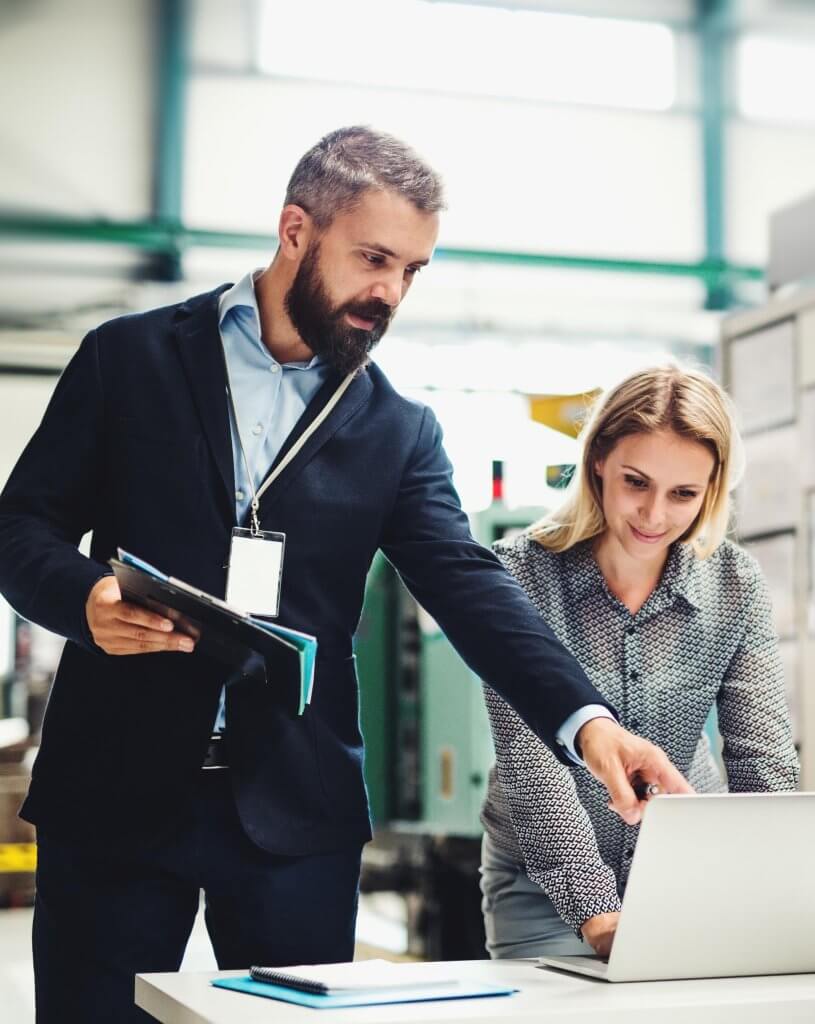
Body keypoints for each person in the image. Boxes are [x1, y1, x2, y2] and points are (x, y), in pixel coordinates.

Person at [0, 127, 688, 1023]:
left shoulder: (396, 428)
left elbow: (471, 589)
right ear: (295, 229)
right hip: (116, 790)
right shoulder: (129, 359)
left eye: (411, 270)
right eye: (373, 258)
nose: (390, 292)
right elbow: (21, 526)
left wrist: (589, 723)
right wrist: (84, 600)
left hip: (294, 805)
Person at [480, 364, 800, 961]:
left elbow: (763, 753)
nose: (654, 515)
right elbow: (532, 765)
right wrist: (599, 917)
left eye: (683, 494)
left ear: (713, 489)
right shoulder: (519, 573)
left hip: (684, 870)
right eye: (636, 482)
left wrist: (772, 888)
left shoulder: (735, 584)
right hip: (543, 882)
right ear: (598, 459)